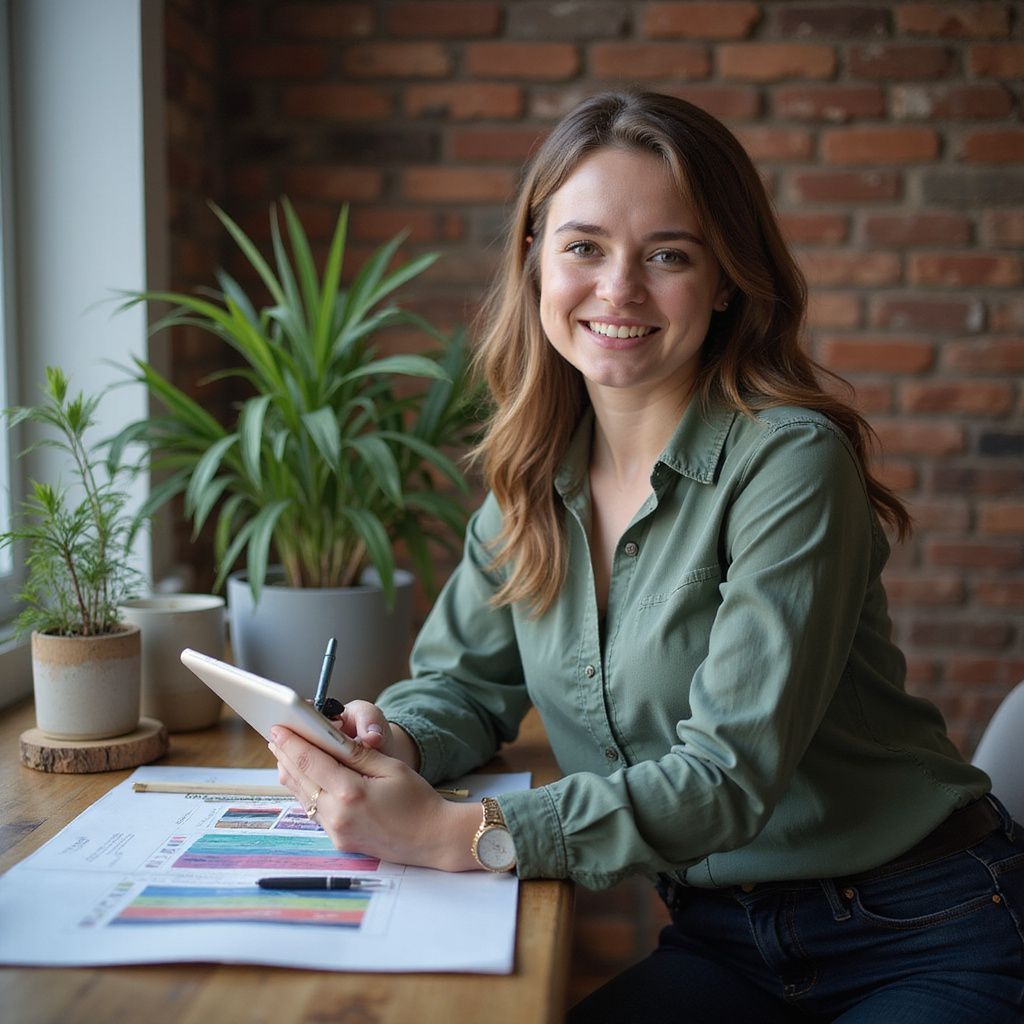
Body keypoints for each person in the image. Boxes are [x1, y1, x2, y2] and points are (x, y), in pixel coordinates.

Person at [268, 91, 1024, 1021]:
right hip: (726, 940)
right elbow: (461, 685)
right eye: (584, 246)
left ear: (726, 281)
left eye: (667, 254)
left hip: (926, 926)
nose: (618, 289)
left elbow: (727, 776)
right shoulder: (533, 478)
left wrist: (469, 835)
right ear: (536, 261)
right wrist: (395, 738)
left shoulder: (789, 463)